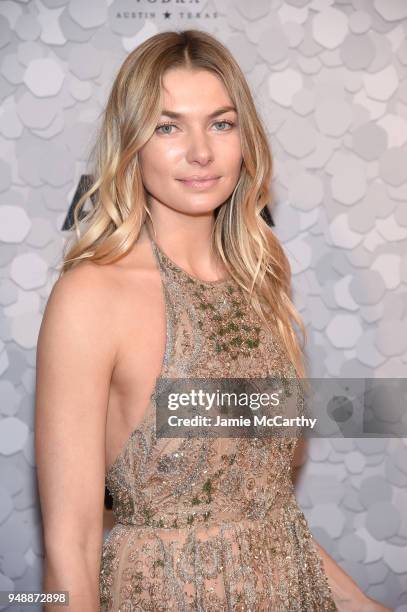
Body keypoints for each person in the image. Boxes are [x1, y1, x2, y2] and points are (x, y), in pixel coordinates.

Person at [35, 30, 392, 612]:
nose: (200, 151)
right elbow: (69, 551)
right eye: (167, 126)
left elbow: (269, 518)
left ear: (244, 138)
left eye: (221, 123)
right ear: (130, 143)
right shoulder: (91, 297)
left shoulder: (262, 283)